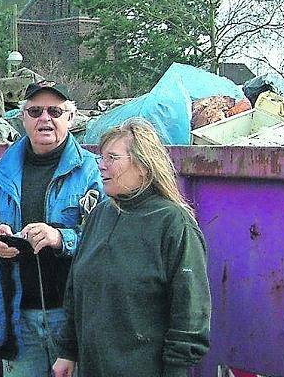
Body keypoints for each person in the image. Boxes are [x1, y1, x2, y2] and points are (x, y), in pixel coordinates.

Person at [0, 81, 102, 377]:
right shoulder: (2, 170)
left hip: (75, 322)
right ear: (23, 118)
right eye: (35, 111)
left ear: (70, 119)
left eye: (54, 111)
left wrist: (61, 238)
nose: (44, 118)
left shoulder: (92, 170)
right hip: (17, 320)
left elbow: (107, 238)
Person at [52, 118, 211, 377]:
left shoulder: (173, 224)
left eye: (112, 158)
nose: (101, 166)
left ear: (144, 167)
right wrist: (67, 352)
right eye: (101, 158)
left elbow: (190, 314)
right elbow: (76, 289)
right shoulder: (100, 214)